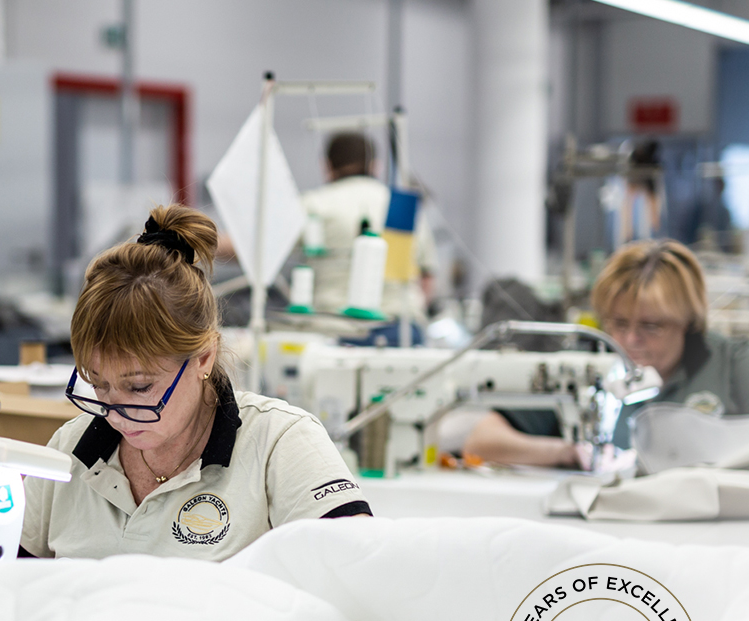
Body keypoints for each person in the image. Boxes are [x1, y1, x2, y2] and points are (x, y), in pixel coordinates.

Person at [20, 204, 371, 561]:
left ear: (204, 357)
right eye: (99, 384)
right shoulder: (70, 450)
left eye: (140, 388)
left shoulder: (279, 444)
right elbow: (7, 589)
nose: (116, 415)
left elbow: (355, 573)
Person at [463, 239, 749, 468]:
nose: (630, 339)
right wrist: (566, 452)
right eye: (619, 323)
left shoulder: (730, 364)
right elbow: (481, 441)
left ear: (688, 322)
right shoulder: (587, 364)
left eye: (651, 326)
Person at [301, 131, 438, 320]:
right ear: (376, 166)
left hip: (333, 327)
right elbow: (427, 278)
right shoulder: (403, 206)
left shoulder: (313, 204)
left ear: (327, 166)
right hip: (400, 328)